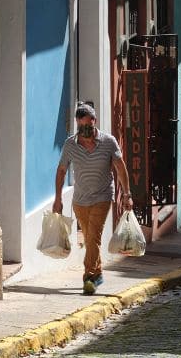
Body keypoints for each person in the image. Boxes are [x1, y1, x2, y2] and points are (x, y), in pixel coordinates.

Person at [52, 103, 127, 297]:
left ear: (94, 121)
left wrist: (127, 194)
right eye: (81, 126)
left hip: (103, 196)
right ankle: (98, 273)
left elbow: (120, 167)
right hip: (80, 200)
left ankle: (89, 277)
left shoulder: (108, 142)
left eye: (88, 126)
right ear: (77, 124)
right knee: (90, 239)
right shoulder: (70, 144)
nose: (84, 130)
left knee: (93, 236)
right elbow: (61, 170)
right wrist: (58, 198)